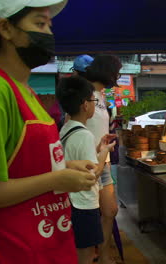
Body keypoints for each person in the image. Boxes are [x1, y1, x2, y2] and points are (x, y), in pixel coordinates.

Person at [0, 1, 98, 263]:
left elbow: (17, 165)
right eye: (39, 24)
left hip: (43, 244)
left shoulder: (27, 91)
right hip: (5, 250)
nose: (49, 34)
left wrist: (66, 167)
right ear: (5, 29)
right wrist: (56, 180)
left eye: (49, 26)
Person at [57, 76, 116, 264]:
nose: (94, 104)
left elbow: (77, 159)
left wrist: (98, 147)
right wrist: (105, 151)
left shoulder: (67, 128)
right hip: (84, 204)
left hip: (71, 202)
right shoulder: (84, 135)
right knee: (87, 255)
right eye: (93, 100)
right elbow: (93, 174)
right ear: (84, 105)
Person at [85, 54, 122, 264]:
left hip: (104, 161)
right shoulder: (84, 91)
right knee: (88, 215)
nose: (116, 77)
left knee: (110, 210)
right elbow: (72, 124)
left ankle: (104, 254)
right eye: (115, 72)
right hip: (87, 163)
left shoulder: (101, 95)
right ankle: (91, 256)